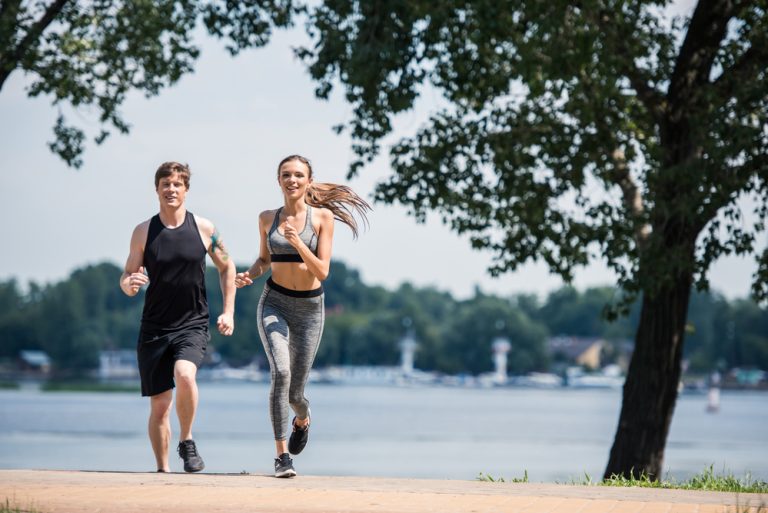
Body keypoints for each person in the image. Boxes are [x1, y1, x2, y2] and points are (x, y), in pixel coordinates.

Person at [235, 155, 370, 478]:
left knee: (296, 393)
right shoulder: (267, 218)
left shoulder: (322, 218)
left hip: (310, 308)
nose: (292, 180)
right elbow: (264, 260)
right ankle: (282, 457)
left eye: (298, 175)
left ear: (308, 181)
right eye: (286, 175)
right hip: (274, 303)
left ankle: (302, 417)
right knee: (280, 373)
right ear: (278, 180)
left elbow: (322, 271)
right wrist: (250, 275)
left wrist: (297, 241)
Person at [120, 161, 236, 473]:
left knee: (185, 374)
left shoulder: (204, 228)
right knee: (160, 407)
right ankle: (163, 470)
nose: (171, 189)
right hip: (154, 328)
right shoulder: (144, 232)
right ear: (156, 189)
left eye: (177, 184)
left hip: (192, 323)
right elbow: (128, 275)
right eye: (165, 184)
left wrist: (228, 311)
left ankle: (186, 439)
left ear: (186, 189)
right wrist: (129, 284)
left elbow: (227, 267)